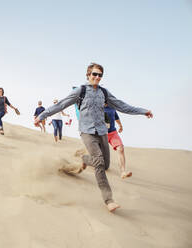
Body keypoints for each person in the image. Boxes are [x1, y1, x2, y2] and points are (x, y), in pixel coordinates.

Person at [35, 63, 153, 212]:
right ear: (88, 75)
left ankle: (84, 159)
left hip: (102, 132)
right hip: (87, 131)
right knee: (98, 162)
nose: (97, 77)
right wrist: (42, 116)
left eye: (100, 75)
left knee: (105, 164)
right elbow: (61, 105)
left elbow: (122, 106)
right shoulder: (81, 91)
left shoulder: (104, 92)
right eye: (94, 74)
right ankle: (109, 199)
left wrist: (143, 111)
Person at [104, 105, 132, 179]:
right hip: (101, 134)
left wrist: (120, 125)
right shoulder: (97, 106)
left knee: (121, 148)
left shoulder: (112, 106)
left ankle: (123, 172)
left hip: (113, 133)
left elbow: (115, 116)